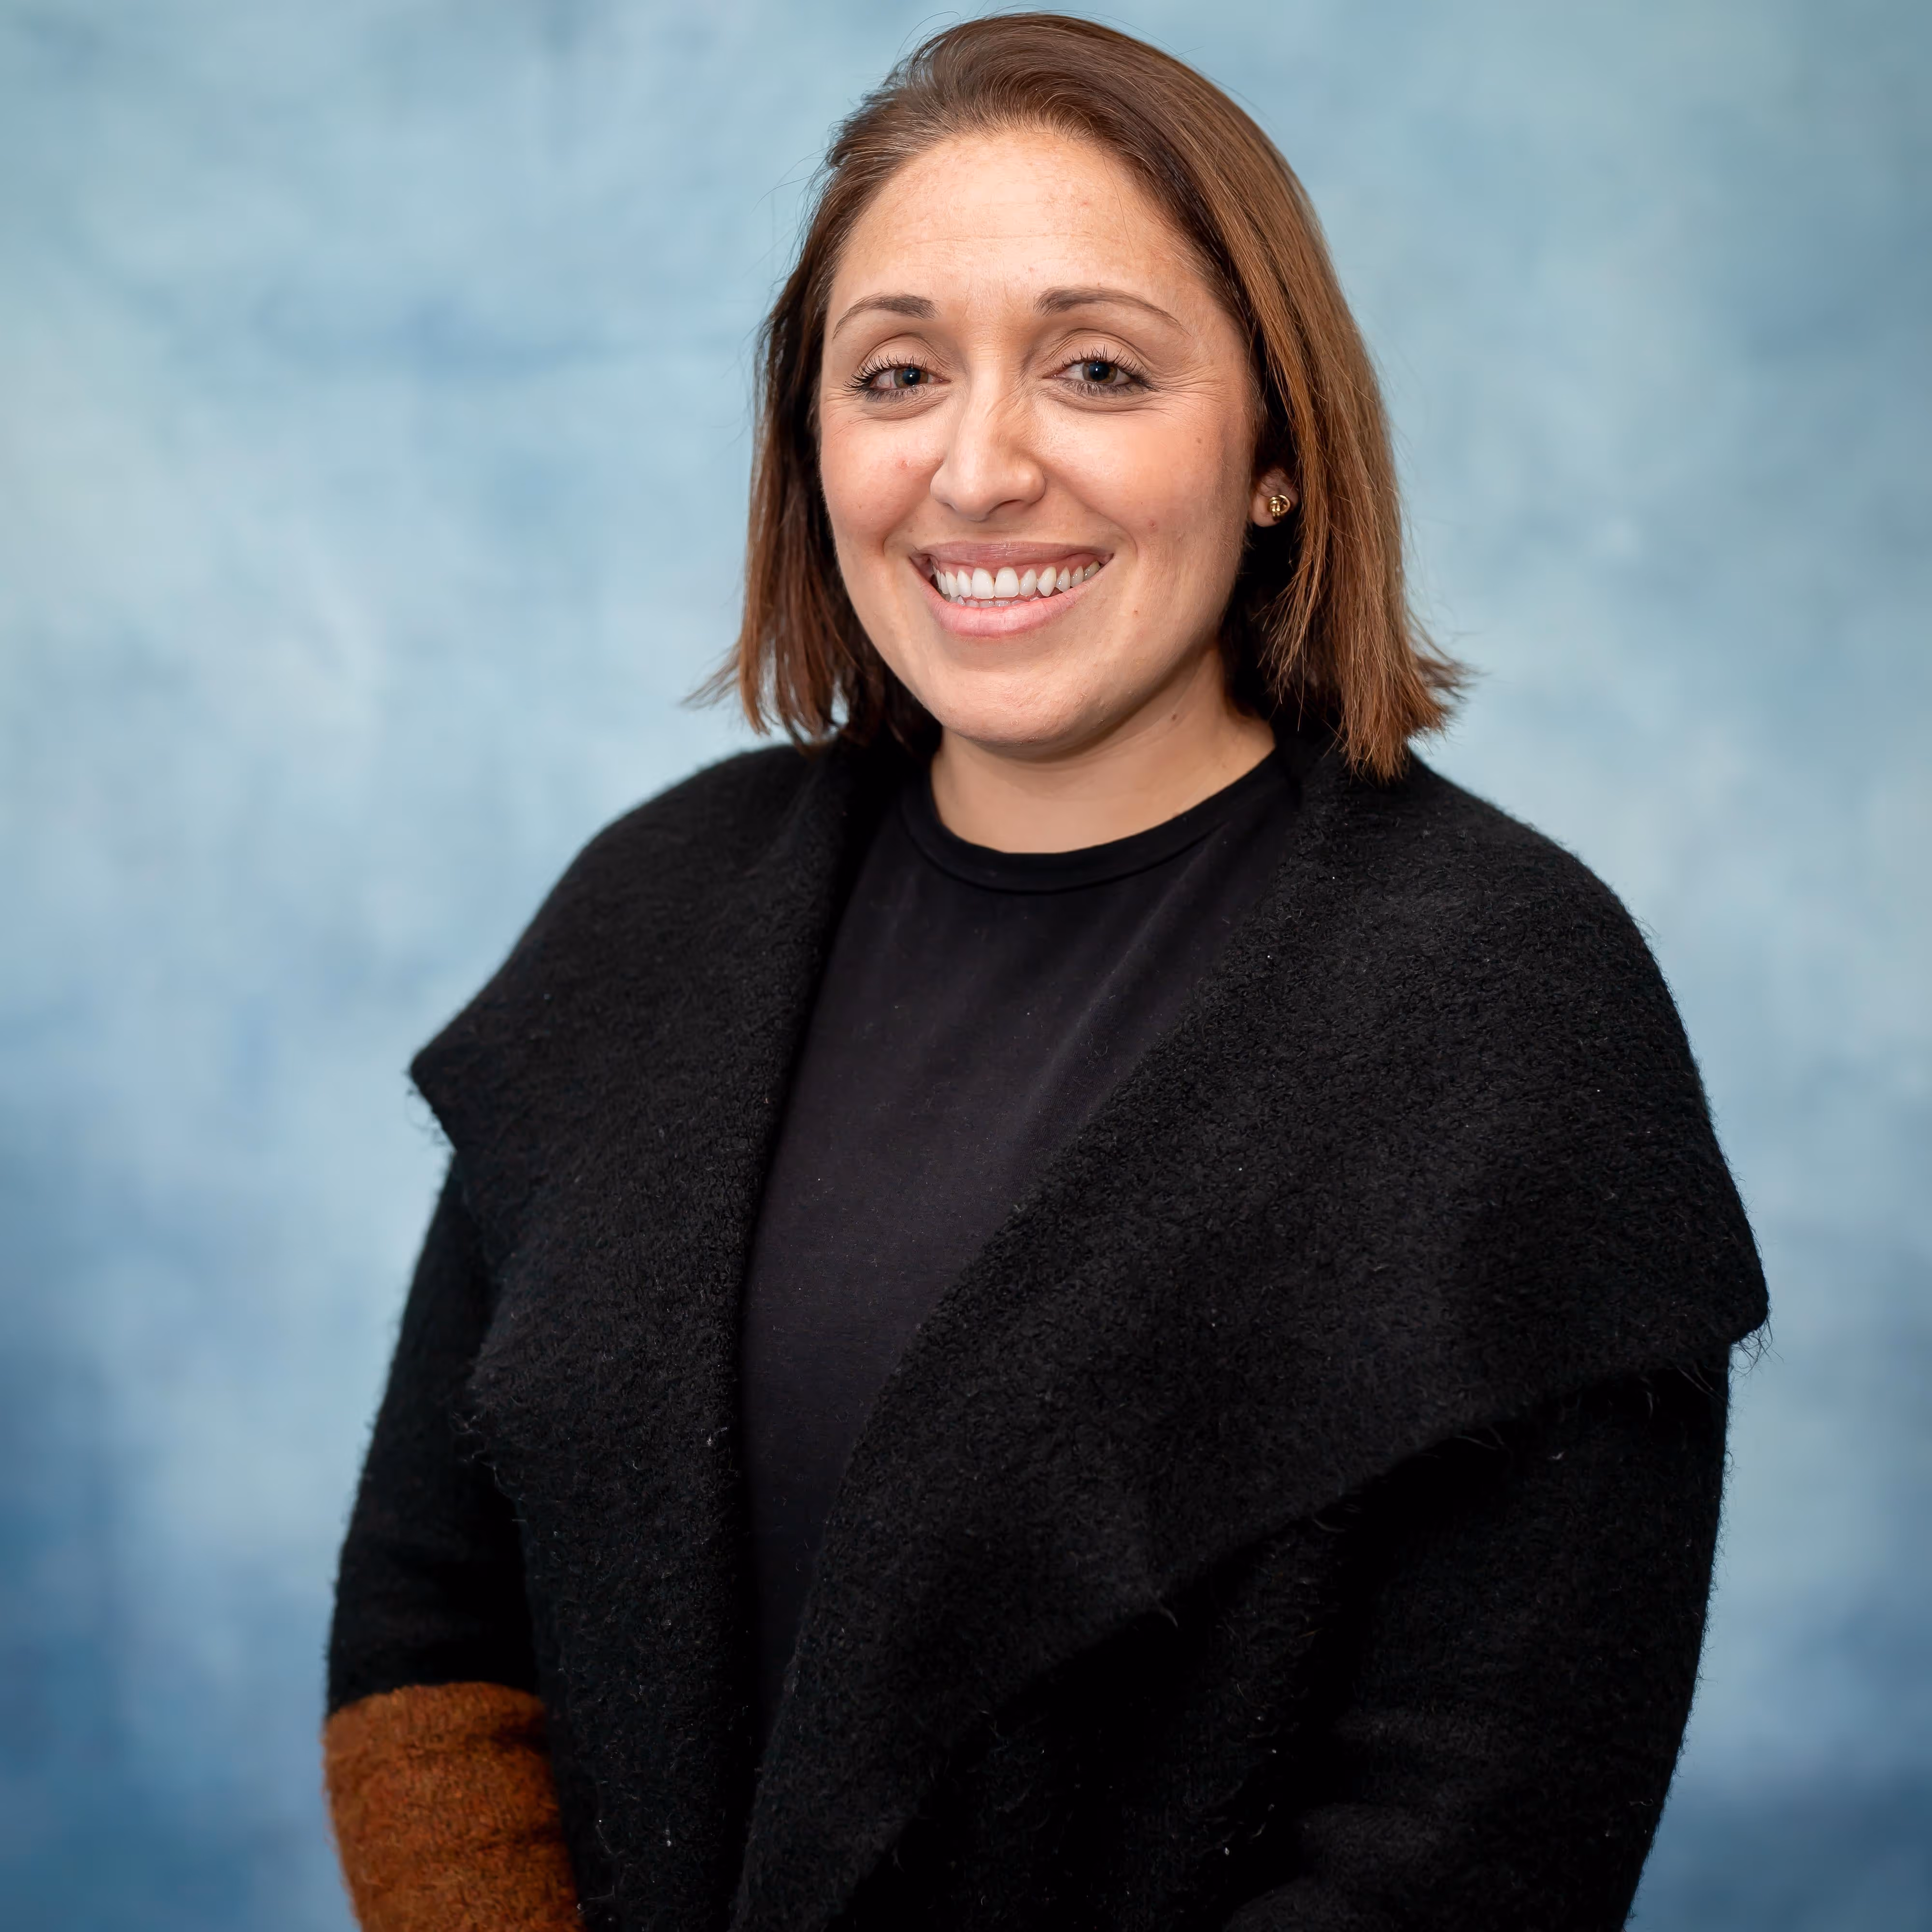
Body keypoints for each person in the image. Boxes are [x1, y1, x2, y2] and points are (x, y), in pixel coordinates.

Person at [323, 16, 1765, 1931]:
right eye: (897, 372)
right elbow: (431, 1633)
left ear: (1269, 448)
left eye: (1096, 368)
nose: (979, 467)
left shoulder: (1508, 1005)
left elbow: (1476, 1832)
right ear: (814, 445)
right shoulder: (651, 914)